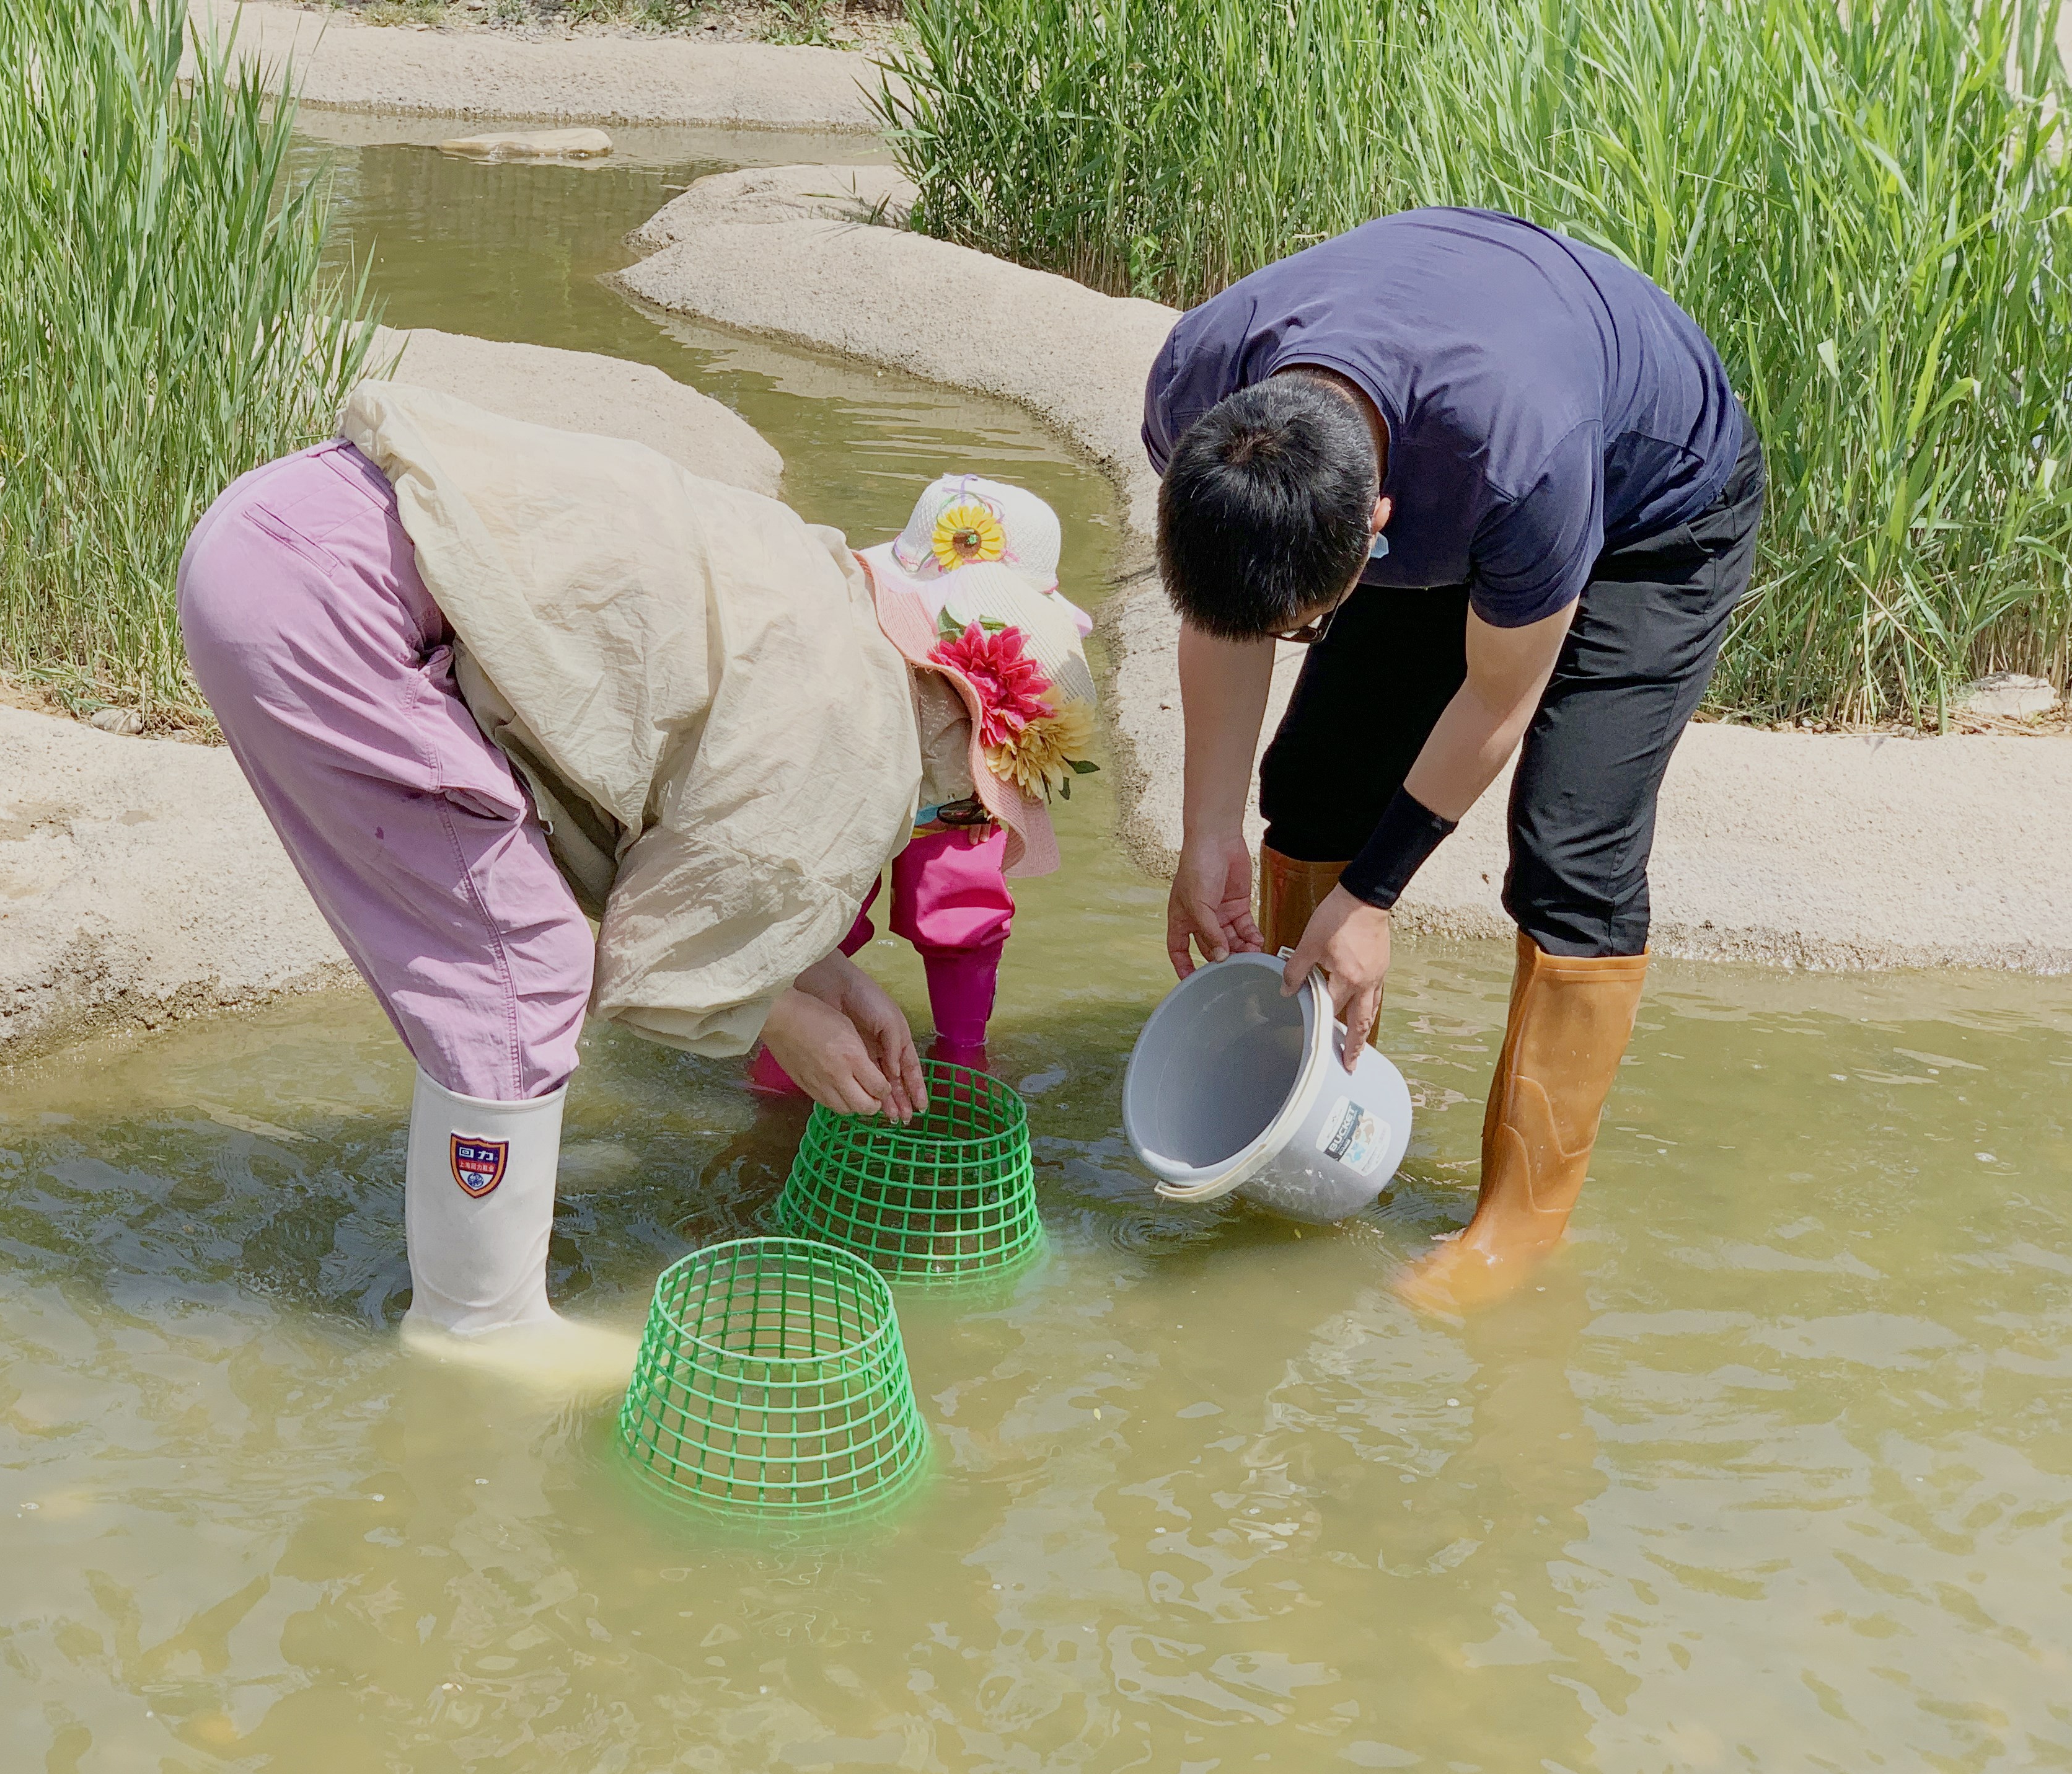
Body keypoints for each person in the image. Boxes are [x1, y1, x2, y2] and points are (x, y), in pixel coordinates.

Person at [175, 379, 1095, 1373]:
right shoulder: (860, 730)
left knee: (511, 943)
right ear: (955, 729)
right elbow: (658, 961)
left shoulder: (816, 606)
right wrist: (785, 1020)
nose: (945, 823)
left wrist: (817, 971)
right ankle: (474, 1326)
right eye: (967, 807)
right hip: (327, 608)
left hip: (284, 527)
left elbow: (665, 830)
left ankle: (478, 1284)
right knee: (520, 972)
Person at [1145, 206, 1764, 1315]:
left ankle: (1519, 1226)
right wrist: (1206, 831)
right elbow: (1227, 610)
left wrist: (1376, 894)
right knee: (1318, 783)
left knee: (1570, 851)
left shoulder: (1515, 459)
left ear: (1376, 527)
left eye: (1307, 622)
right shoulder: (1199, 387)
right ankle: (1294, 1086)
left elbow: (1499, 688)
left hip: (1650, 508)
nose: (1292, 639)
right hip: (1443, 430)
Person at [748, 475, 1098, 1088]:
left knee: (940, 920)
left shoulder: (871, 635)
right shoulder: (855, 644)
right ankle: (810, 1057)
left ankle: (948, 1055)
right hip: (875, 797)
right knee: (833, 919)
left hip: (948, 801)